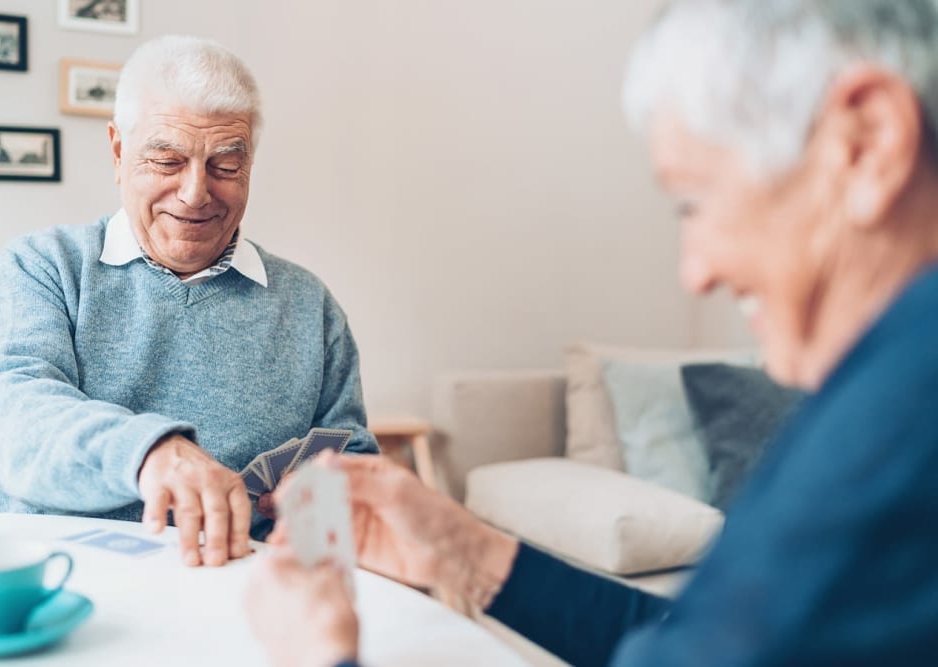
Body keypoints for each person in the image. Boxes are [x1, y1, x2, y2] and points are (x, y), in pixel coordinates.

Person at [245, 1, 938, 664]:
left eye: (694, 202)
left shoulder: (895, 419)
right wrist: (468, 552)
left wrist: (321, 653)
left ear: (868, 141)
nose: (694, 272)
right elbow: (698, 639)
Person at [0, 35, 378, 568]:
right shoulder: (44, 265)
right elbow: (6, 417)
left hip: (241, 586)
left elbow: (353, 458)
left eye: (226, 166)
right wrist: (151, 452)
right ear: (119, 152)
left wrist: (322, 500)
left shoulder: (308, 304)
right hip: (61, 577)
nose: (195, 193)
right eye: (167, 160)